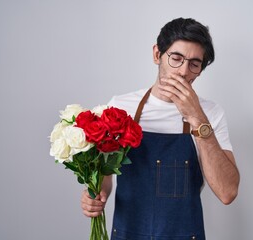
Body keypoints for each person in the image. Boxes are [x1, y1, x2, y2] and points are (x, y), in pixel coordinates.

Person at [81, 17, 240, 239]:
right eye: (176, 58)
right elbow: (106, 174)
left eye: (194, 63)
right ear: (157, 54)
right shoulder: (120, 106)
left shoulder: (211, 113)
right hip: (128, 233)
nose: (184, 71)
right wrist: (97, 194)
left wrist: (196, 117)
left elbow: (227, 192)